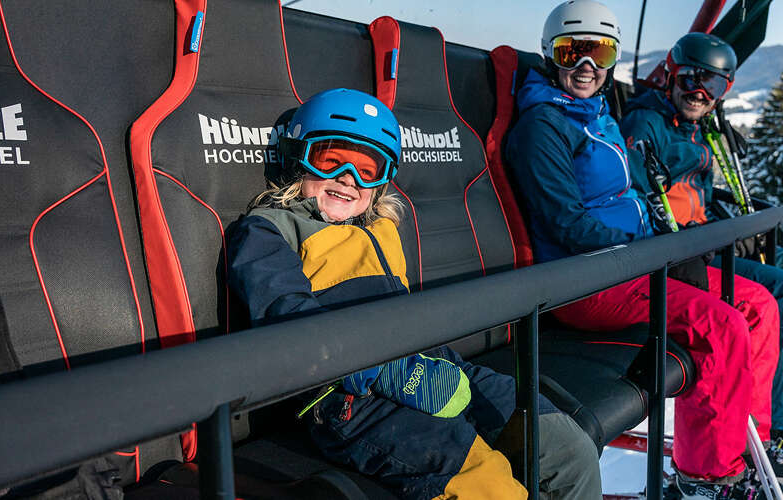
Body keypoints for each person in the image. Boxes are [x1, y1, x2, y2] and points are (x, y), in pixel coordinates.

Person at [226, 88, 602, 499]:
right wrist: (386, 371)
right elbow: (286, 316)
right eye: (330, 160)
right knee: (490, 487)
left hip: (431, 366)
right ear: (298, 155)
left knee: (568, 450)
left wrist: (418, 363)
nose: (349, 178)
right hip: (351, 397)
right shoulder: (269, 230)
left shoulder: (383, 228)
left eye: (369, 168)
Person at [505, 1, 779, 497]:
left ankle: (747, 444)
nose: (586, 68)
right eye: (573, 53)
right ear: (551, 56)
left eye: (600, 53)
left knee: (758, 305)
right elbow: (568, 224)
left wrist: (671, 243)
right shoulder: (541, 128)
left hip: (632, 262)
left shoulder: (598, 115)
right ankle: (707, 477)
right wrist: (657, 251)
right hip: (587, 280)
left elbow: (637, 193)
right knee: (721, 326)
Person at [620, 32, 783, 444]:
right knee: (779, 288)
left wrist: (731, 231)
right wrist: (710, 241)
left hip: (706, 240)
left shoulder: (701, 130)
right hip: (682, 254)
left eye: (711, 84)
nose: (697, 91)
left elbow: (702, 201)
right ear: (671, 76)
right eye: (690, 77)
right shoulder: (647, 125)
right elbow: (642, 205)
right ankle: (775, 423)